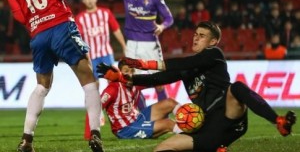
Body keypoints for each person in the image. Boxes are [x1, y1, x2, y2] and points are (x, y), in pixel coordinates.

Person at [98, 21, 296, 152]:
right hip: (208, 127)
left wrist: (144, 64)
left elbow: (183, 64)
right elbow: (157, 79)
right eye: (195, 34)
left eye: (201, 35)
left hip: (229, 116)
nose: (195, 37)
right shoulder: (188, 69)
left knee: (237, 87)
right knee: (162, 148)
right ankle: (217, 148)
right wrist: (123, 79)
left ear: (213, 41)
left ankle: (278, 120)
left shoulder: (214, 54)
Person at [3, 0, 103, 152]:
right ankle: (95, 134)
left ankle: (26, 140)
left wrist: (36, 23)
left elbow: (19, 16)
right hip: (60, 25)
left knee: (41, 86)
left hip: (38, 35)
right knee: (88, 78)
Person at [85, 0, 174, 109]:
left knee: (159, 82)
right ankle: (142, 117)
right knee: (133, 83)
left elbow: (170, 18)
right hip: (132, 45)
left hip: (151, 45)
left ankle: (164, 115)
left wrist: (162, 26)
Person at [75, 0, 127, 139]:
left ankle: (120, 114)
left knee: (116, 84)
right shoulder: (80, 18)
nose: (90, 0)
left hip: (106, 55)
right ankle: (95, 117)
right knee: (92, 88)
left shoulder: (105, 13)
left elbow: (116, 30)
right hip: (91, 57)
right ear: (84, 1)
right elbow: (78, 39)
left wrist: (124, 46)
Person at [99, 60, 182, 139]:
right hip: (125, 129)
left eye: (132, 71)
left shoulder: (135, 82)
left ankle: (187, 119)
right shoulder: (113, 88)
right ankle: (189, 134)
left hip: (137, 118)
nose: (130, 74)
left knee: (170, 102)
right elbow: (97, 105)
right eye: (126, 71)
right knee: (168, 123)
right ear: (119, 72)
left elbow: (156, 80)